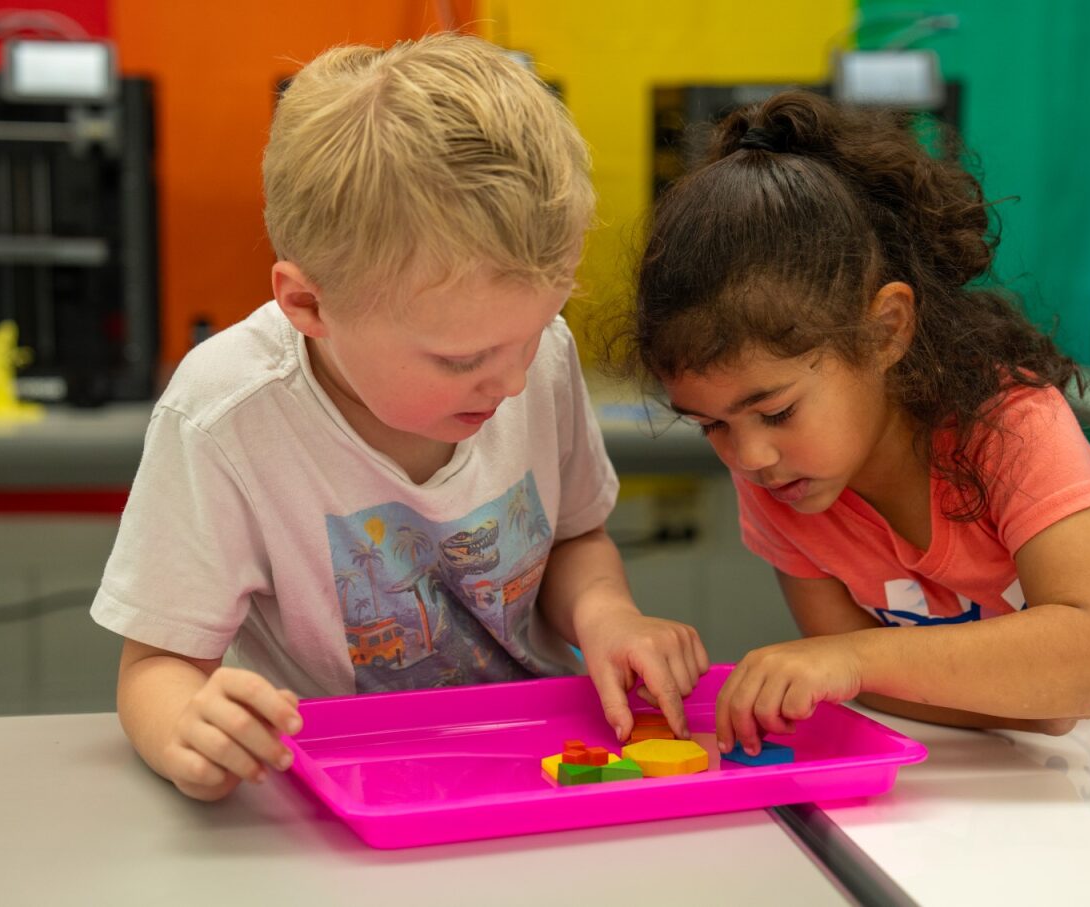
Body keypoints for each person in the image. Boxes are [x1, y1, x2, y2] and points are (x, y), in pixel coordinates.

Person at [91, 35, 708, 802]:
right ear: (309, 305)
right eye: (461, 359)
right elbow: (157, 666)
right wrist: (187, 727)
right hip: (342, 789)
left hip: (535, 762)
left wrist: (607, 614)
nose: (513, 381)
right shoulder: (225, 417)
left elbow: (576, 536)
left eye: (532, 333)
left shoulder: (534, 355)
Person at [609, 90, 1090, 757]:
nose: (748, 456)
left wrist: (857, 659)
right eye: (710, 425)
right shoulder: (783, 475)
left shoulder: (1009, 423)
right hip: (1016, 763)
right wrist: (1020, 704)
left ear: (885, 331)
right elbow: (866, 683)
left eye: (776, 410)